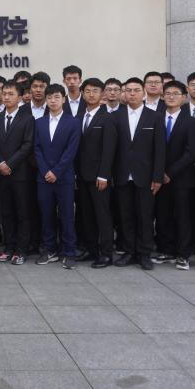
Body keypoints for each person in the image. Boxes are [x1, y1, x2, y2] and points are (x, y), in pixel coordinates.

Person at [113, 77, 164, 271]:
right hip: (122, 174)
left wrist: (157, 177)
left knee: (145, 216)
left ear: (143, 92)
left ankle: (144, 253)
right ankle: (129, 252)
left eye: (136, 90)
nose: (132, 94)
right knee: (125, 216)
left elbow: (160, 150)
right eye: (129, 90)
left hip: (146, 176)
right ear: (124, 94)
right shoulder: (116, 116)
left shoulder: (155, 117)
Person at [33, 84, 81, 269]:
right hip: (44, 177)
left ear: (63, 99)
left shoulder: (73, 122)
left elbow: (71, 151)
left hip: (64, 177)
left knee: (67, 216)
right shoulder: (39, 122)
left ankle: (69, 252)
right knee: (46, 215)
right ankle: (49, 250)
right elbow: (37, 149)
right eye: (49, 97)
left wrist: (57, 171)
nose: (53, 101)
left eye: (56, 97)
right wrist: (46, 170)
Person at [154, 81, 195, 271]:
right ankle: (166, 250)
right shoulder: (155, 119)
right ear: (162, 96)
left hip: (182, 178)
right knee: (162, 215)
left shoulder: (192, 122)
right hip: (158, 177)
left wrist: (169, 172)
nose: (171, 97)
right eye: (168, 93)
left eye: (176, 93)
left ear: (184, 97)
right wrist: (159, 173)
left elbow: (192, 152)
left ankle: (183, 254)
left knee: (182, 216)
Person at [74, 78, 117, 267]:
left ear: (103, 94)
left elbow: (109, 149)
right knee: (86, 215)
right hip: (82, 176)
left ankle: (106, 253)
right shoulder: (79, 117)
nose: (91, 94)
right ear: (82, 94)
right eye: (88, 91)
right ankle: (91, 250)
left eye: (95, 91)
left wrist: (104, 175)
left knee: (102, 216)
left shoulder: (108, 118)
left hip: (99, 177)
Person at [0, 80, 35, 265]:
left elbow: (27, 145)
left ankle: (21, 250)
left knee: (23, 213)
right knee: (6, 212)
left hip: (21, 174)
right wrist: (1, 162)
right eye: (4, 94)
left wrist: (10, 164)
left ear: (20, 97)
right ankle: (8, 247)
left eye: (11, 94)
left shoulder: (28, 119)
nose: (7, 97)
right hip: (1, 173)